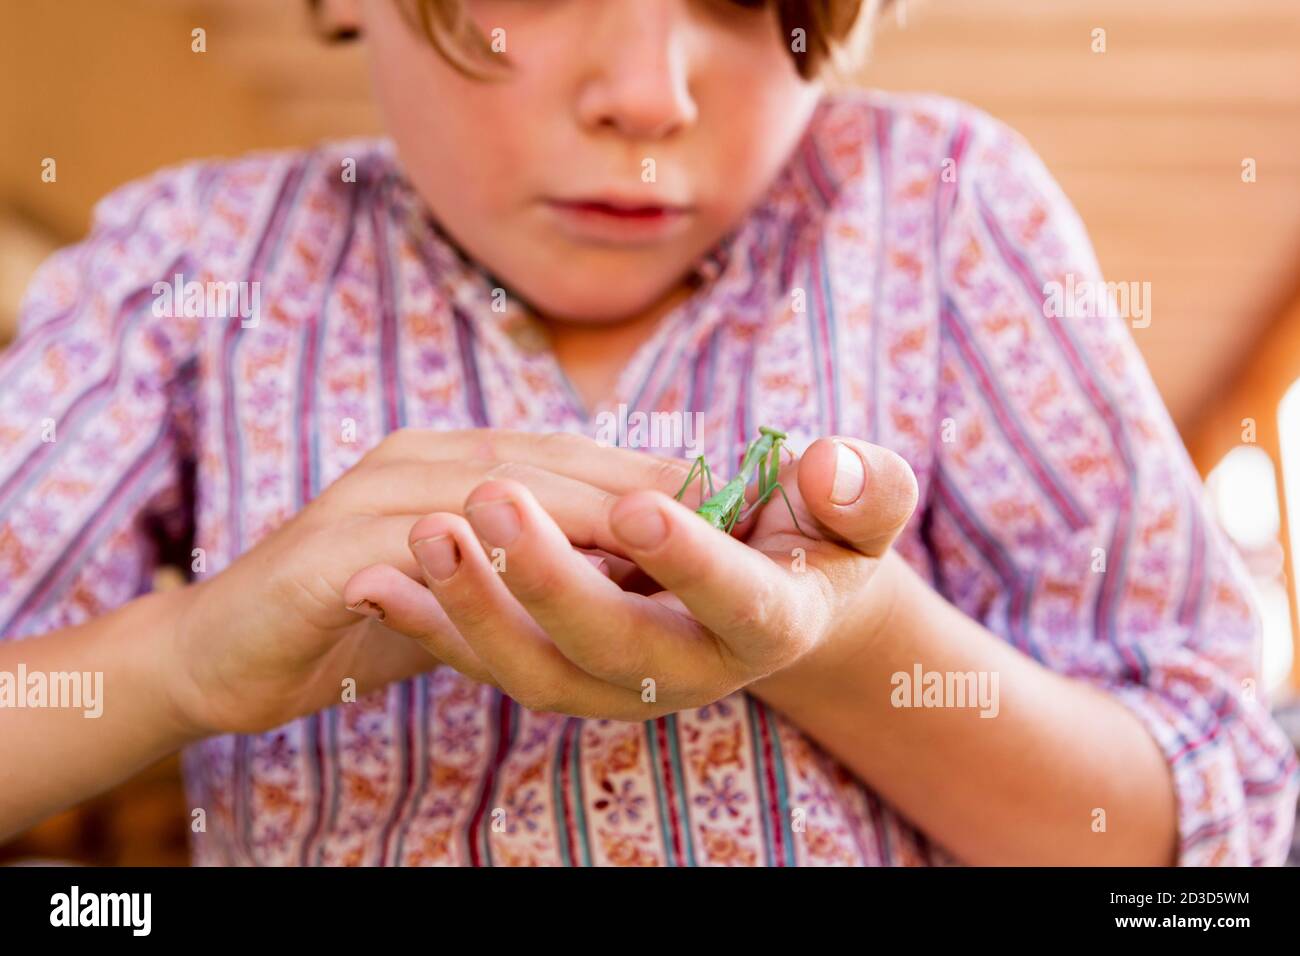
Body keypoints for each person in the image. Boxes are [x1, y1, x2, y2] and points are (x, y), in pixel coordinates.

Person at [0, 0, 1295, 866]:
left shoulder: (944, 208)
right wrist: (184, 658)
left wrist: (854, 645)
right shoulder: (194, 260)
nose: (648, 93)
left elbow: (1208, 825)